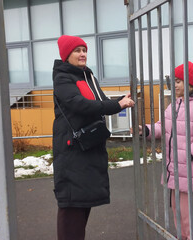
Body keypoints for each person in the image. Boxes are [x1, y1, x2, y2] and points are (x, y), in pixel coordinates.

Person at [52, 35, 134, 240]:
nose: (82, 54)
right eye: (77, 50)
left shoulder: (88, 77)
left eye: (84, 50)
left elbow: (102, 103)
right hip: (72, 152)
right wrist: (117, 105)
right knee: (72, 207)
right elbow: (79, 104)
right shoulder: (63, 78)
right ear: (66, 55)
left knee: (83, 204)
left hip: (89, 150)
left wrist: (120, 101)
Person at [136, 61, 193, 240]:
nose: (175, 85)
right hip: (175, 171)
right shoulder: (175, 104)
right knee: (179, 214)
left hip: (191, 170)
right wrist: (147, 130)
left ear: (190, 82)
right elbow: (162, 126)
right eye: (174, 81)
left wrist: (188, 154)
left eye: (179, 81)